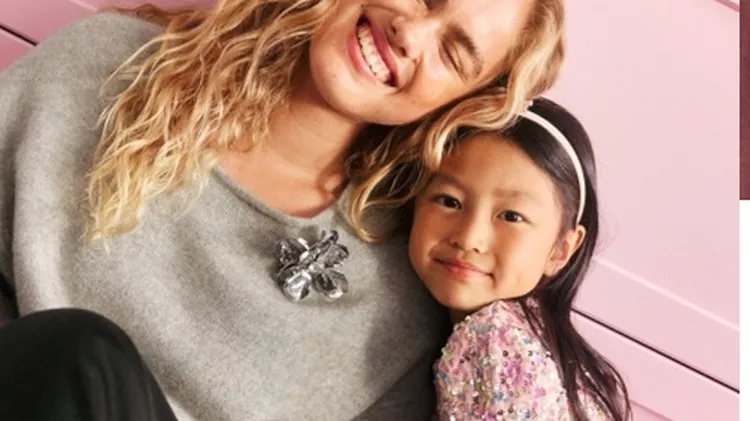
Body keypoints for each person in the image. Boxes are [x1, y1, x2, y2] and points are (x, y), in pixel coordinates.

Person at [0, 0, 565, 420]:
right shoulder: (104, 71)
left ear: (461, 104)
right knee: (79, 354)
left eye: (452, 53)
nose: (410, 32)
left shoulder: (403, 296)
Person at [404, 98, 632, 420]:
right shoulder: (536, 333)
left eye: (511, 216)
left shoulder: (492, 339)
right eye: (449, 201)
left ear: (561, 250)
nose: (469, 238)